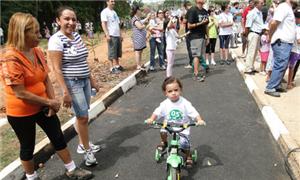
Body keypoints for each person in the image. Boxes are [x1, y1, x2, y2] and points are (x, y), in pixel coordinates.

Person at [0, 12, 93, 180]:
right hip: (21, 112)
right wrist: (48, 101)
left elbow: (46, 78)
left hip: (43, 105)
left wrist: (52, 102)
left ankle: (72, 169)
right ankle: (31, 176)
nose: (41, 35)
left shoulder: (36, 51)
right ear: (22, 33)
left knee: (57, 136)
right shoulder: (9, 58)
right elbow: (19, 92)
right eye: (35, 32)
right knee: (27, 146)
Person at [48, 6, 100, 167]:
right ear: (58, 21)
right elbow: (56, 69)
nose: (71, 22)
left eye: (73, 19)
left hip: (84, 80)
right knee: (83, 117)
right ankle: (86, 151)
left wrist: (92, 80)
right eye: (66, 19)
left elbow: (83, 60)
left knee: (82, 115)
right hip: (72, 82)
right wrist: (65, 92)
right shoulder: (56, 40)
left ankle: (82, 144)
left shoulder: (76, 36)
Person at [146, 76, 206, 167]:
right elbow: (157, 112)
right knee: (162, 131)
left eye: (176, 90)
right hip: (168, 125)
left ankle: (188, 156)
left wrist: (199, 120)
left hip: (183, 127)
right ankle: (164, 142)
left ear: (180, 90)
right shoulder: (165, 104)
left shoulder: (185, 103)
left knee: (184, 143)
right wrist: (151, 119)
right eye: (170, 91)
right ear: (165, 93)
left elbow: (193, 112)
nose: (173, 93)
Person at [265, 0, 297, 97]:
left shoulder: (287, 8)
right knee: (280, 64)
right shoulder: (283, 7)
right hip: (281, 41)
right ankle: (270, 87)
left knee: (282, 65)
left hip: (285, 42)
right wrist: (269, 36)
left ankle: (276, 85)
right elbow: (274, 23)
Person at [187, 0, 209, 82]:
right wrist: (200, 23)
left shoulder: (205, 11)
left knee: (199, 55)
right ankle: (196, 74)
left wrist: (208, 37)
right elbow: (189, 25)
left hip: (202, 36)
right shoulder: (193, 10)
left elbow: (206, 25)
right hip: (195, 37)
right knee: (196, 55)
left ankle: (197, 72)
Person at [101, 0, 124, 74]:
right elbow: (103, 24)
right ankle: (112, 68)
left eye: (114, 1)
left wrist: (120, 34)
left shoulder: (114, 12)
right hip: (111, 34)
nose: (113, 2)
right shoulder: (105, 12)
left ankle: (117, 65)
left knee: (117, 51)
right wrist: (107, 34)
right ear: (107, 2)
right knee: (112, 52)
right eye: (111, 1)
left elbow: (118, 24)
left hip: (117, 34)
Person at [244, 0, 265, 74]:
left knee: (255, 53)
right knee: (251, 52)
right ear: (256, 4)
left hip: (258, 34)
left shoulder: (260, 13)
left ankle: (251, 67)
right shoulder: (252, 13)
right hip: (253, 34)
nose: (263, 4)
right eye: (261, 3)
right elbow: (247, 26)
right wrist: (247, 36)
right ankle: (248, 68)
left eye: (263, 3)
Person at [131, 5, 150, 70]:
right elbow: (140, 27)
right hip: (137, 38)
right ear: (136, 11)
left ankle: (140, 64)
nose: (140, 11)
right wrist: (145, 25)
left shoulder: (137, 18)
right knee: (138, 51)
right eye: (139, 10)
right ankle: (138, 65)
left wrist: (147, 18)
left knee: (140, 51)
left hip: (141, 38)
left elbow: (142, 22)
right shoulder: (134, 19)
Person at [287, 9, 300, 89]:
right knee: (292, 67)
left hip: (293, 49)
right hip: (296, 50)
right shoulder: (298, 28)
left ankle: (289, 82)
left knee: (291, 67)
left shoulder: (293, 26)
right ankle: (289, 83)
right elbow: (299, 41)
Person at [182, 1, 193, 69]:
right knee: (195, 49)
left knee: (190, 48)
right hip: (194, 32)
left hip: (189, 33)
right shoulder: (195, 11)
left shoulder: (188, 12)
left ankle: (191, 63)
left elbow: (184, 21)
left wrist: (184, 15)